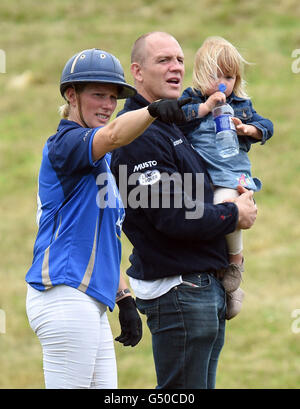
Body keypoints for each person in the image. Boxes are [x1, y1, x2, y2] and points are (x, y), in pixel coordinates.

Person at [25, 47, 189, 389]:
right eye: (98, 95)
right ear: (71, 95)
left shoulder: (98, 161)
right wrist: (154, 111)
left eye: (113, 97)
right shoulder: (66, 143)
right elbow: (114, 134)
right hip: (65, 295)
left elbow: (98, 236)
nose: (107, 105)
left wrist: (123, 296)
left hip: (91, 300)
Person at [110, 32, 257, 389]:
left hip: (200, 289)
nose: (176, 67)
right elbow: (173, 215)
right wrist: (232, 215)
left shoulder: (172, 125)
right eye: (163, 60)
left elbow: (193, 198)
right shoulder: (139, 135)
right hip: (179, 291)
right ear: (137, 72)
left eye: (179, 59)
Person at [179, 36, 273, 318]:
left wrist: (248, 130)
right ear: (199, 75)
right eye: (215, 75)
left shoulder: (241, 104)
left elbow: (267, 125)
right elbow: (179, 119)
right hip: (204, 178)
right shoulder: (192, 99)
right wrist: (206, 108)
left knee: (226, 207)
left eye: (229, 77)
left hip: (232, 177)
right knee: (206, 219)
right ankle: (227, 286)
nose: (223, 82)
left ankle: (235, 262)